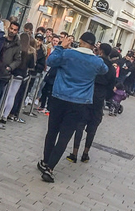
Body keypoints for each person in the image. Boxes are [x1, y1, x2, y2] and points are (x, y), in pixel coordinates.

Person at [38, 32, 109, 183]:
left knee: (52, 131)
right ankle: (50, 168)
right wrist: (95, 53)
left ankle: (45, 161)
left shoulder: (68, 54)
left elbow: (50, 61)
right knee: (65, 135)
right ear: (93, 46)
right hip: (79, 102)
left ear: (80, 41)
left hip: (59, 97)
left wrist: (60, 47)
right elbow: (105, 70)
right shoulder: (96, 61)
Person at [67, 42, 116, 162]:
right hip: (100, 98)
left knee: (79, 124)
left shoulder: (95, 61)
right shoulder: (111, 68)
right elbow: (111, 86)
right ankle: (85, 154)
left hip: (87, 94)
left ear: (101, 52)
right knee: (92, 127)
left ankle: (74, 153)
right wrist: (106, 97)